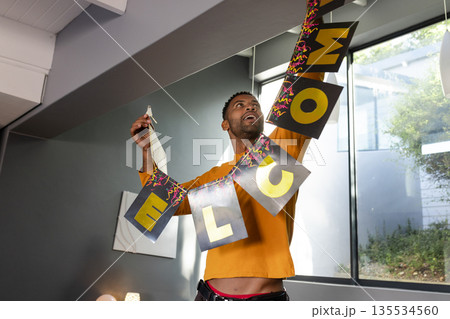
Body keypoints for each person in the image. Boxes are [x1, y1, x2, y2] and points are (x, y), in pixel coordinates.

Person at [130, 72, 322, 301]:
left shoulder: (282, 150)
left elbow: (306, 87)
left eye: (254, 105)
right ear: (225, 124)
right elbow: (166, 203)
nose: (249, 108)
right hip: (209, 297)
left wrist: (317, 41)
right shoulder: (214, 176)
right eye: (239, 105)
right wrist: (146, 151)